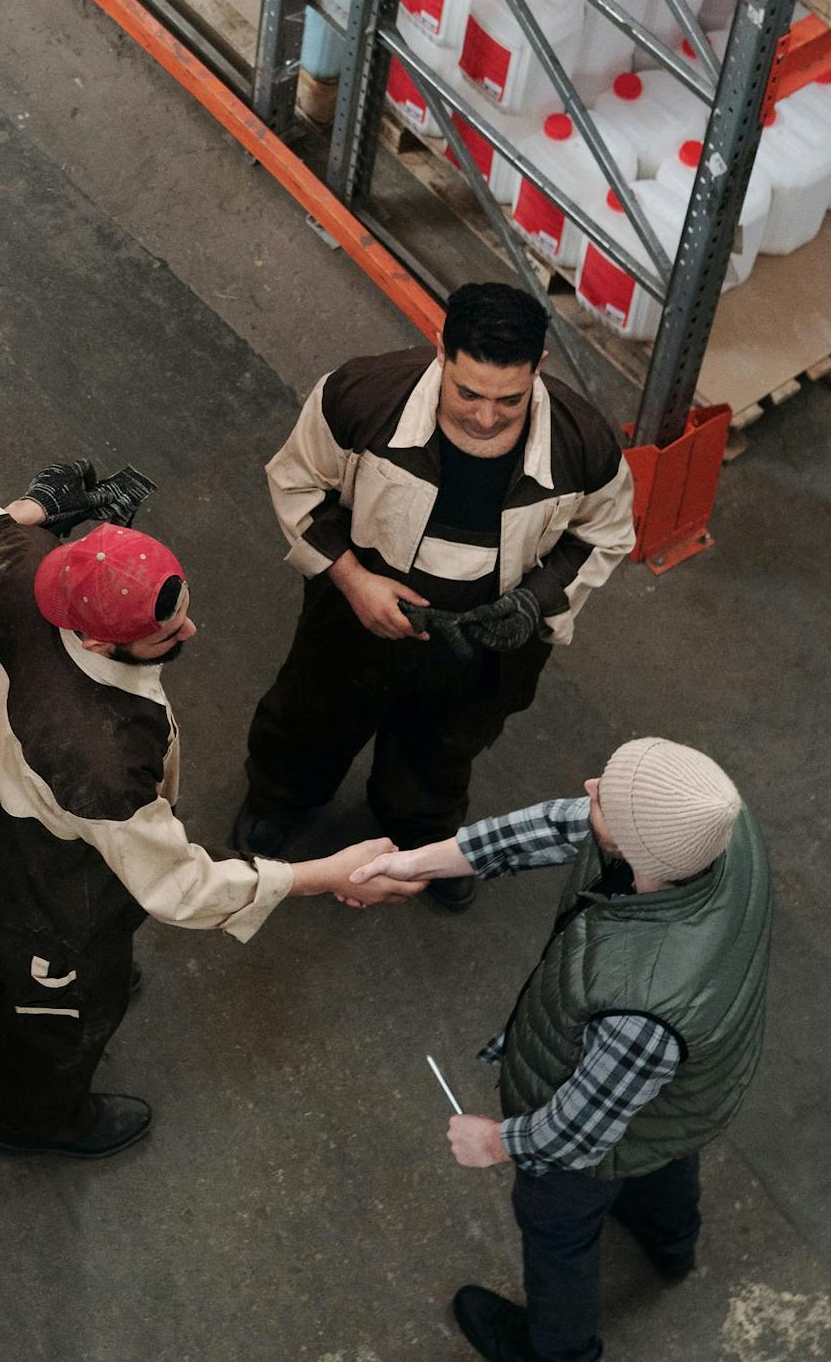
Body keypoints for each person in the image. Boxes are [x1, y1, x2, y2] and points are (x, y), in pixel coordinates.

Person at [0, 488, 396, 1161]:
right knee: (66, 1016)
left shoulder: (13, 557)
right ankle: (37, 1122)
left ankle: (7, 988)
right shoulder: (98, 757)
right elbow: (179, 886)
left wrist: (33, 507)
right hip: (55, 895)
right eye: (166, 634)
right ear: (98, 638)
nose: (189, 634)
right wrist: (316, 875)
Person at [370, 737, 769, 1362]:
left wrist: (494, 1143)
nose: (587, 787)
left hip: (617, 1108)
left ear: (636, 852)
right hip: (691, 1091)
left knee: (556, 1221)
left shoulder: (644, 1009)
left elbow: (577, 1134)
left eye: (605, 798)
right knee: (662, 1149)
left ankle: (562, 1361)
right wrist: (419, 861)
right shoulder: (715, 822)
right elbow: (564, 824)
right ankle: (671, 1244)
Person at [235, 283, 637, 911]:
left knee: (445, 747)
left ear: (541, 369)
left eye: (509, 399)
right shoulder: (360, 398)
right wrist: (353, 580)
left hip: (487, 642)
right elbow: (297, 485)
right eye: (468, 392)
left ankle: (424, 838)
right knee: (311, 715)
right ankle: (280, 800)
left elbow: (603, 534)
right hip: (354, 620)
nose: (484, 416)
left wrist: (535, 600)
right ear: (441, 353)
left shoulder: (583, 444)